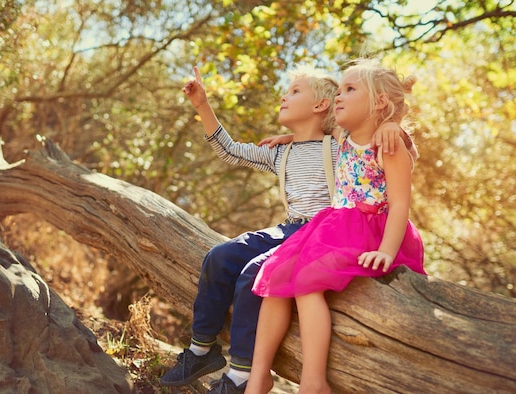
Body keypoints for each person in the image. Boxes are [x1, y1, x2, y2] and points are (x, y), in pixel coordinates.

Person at [160, 65, 413, 394]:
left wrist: (392, 123)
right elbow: (230, 150)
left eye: (295, 91)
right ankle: (200, 351)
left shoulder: (339, 145)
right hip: (289, 228)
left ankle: (242, 375)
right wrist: (203, 106)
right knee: (219, 256)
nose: (284, 95)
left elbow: (372, 129)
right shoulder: (282, 152)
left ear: (320, 106)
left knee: (256, 274)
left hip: (326, 232)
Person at [245, 58, 426, 394]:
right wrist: (288, 136)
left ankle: (314, 382)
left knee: (307, 284)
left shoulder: (388, 142)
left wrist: (386, 250)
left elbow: (401, 203)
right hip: (332, 224)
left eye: (350, 89)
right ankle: (259, 376)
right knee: (276, 276)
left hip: (371, 230)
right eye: (339, 90)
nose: (339, 97)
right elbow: (315, 130)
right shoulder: (341, 134)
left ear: (379, 102)